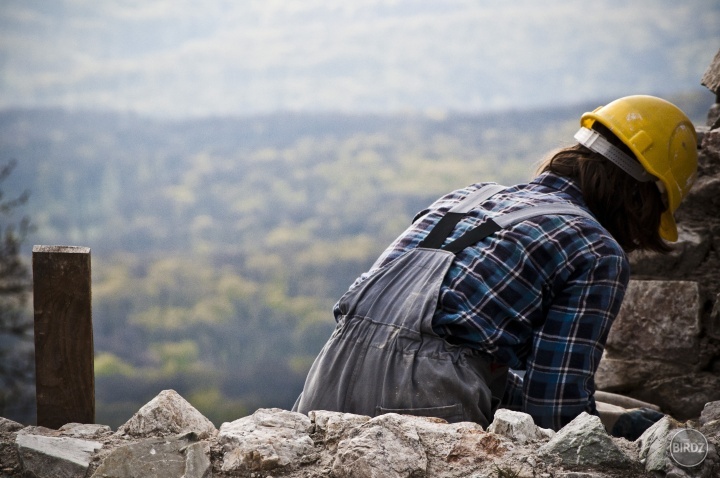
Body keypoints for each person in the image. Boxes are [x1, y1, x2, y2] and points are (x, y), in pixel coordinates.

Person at [293, 95, 698, 434]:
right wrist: (620, 434)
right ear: (641, 201)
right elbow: (554, 410)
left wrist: (608, 415)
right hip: (424, 396)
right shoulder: (596, 250)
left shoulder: (466, 198)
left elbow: (436, 347)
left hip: (330, 372)